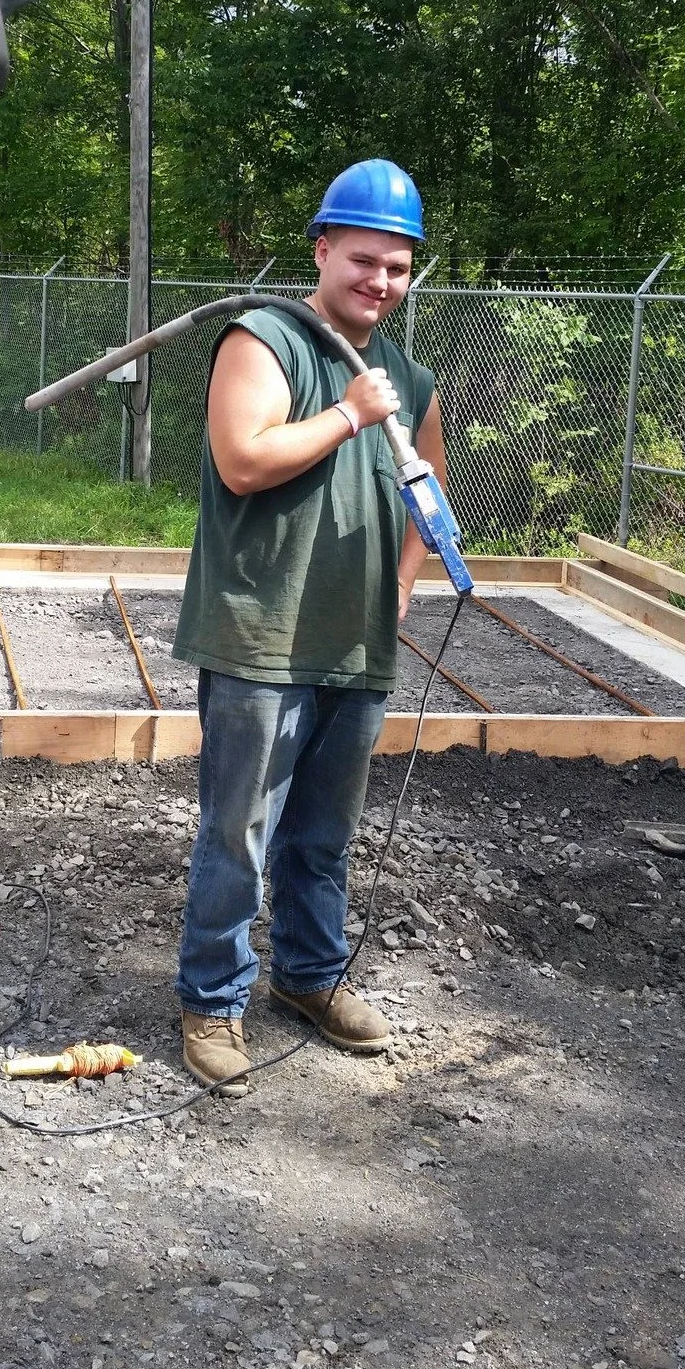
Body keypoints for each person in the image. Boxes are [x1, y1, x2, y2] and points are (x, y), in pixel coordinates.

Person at [171, 159, 447, 1094]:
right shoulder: (265, 340)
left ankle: (310, 978)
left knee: (324, 834)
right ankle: (212, 1001)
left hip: (355, 638)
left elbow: (426, 491)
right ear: (323, 250)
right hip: (261, 634)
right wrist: (347, 412)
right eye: (363, 260)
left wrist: (406, 580)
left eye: (398, 267)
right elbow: (244, 460)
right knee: (239, 831)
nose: (380, 281)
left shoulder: (410, 373)